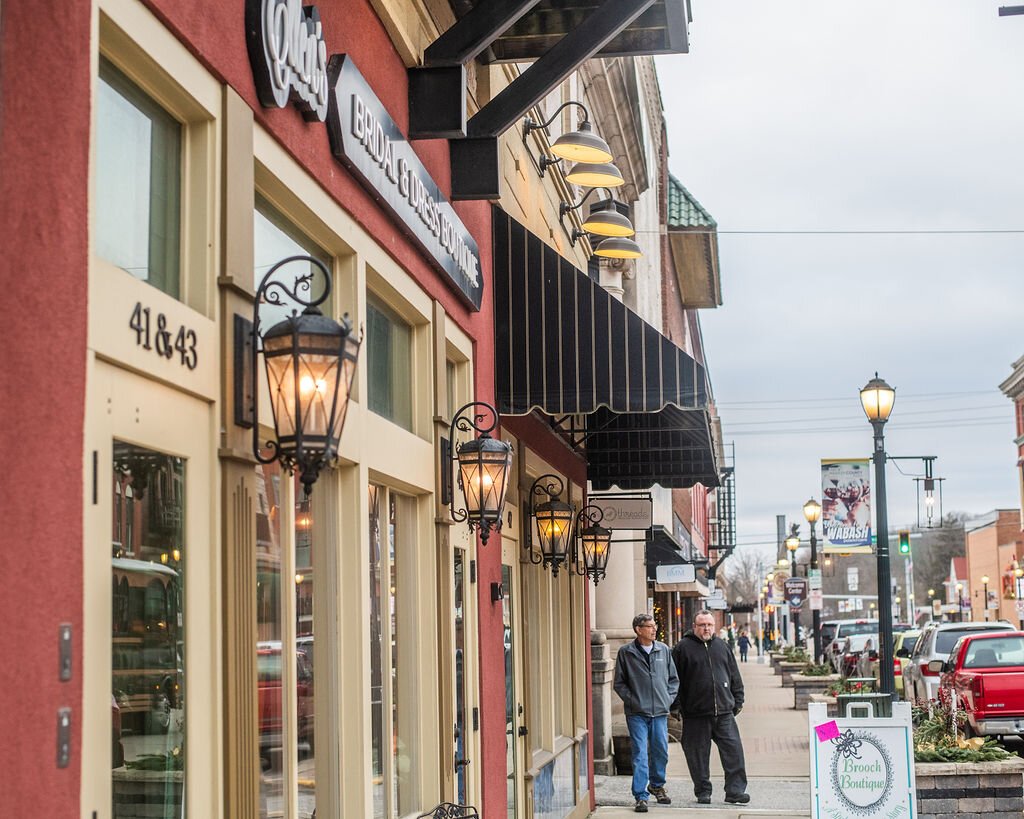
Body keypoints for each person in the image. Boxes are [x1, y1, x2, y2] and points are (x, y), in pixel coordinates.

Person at [672, 610, 749, 806]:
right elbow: (674, 681)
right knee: (697, 756)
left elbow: (734, 676)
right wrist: (676, 706)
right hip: (695, 714)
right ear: (694, 627)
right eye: (702, 625)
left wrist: (738, 700)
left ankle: (735, 791)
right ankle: (703, 791)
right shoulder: (682, 648)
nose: (706, 628)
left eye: (709, 625)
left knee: (734, 754)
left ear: (714, 627)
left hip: (724, 713)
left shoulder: (722, 646)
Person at [613, 613, 679, 813]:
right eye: (649, 626)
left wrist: (667, 700)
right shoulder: (626, 652)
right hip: (637, 714)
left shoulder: (664, 650)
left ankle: (657, 786)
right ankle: (641, 796)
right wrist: (633, 701)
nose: (654, 629)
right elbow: (619, 683)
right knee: (640, 754)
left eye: (654, 626)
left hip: (659, 712)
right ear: (638, 629)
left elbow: (673, 680)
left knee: (661, 751)